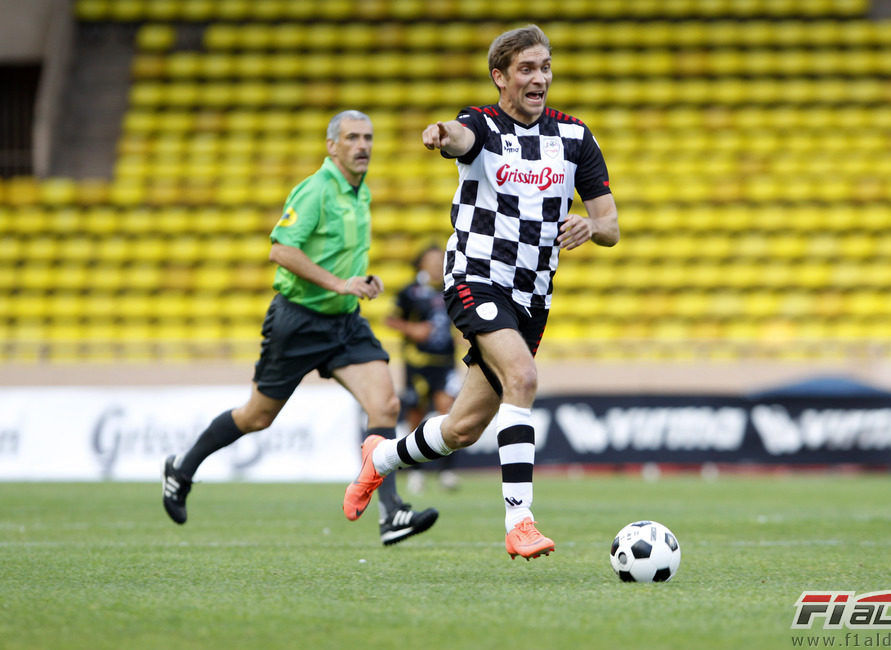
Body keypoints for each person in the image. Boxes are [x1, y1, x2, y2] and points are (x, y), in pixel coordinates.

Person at [342, 26, 620, 560]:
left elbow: (611, 224)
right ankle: (521, 522)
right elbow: (459, 135)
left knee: (463, 428)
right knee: (524, 376)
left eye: (544, 67)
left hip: (532, 297)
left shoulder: (577, 138)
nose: (539, 77)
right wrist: (439, 133)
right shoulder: (484, 126)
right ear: (501, 77)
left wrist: (590, 226)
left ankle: (378, 460)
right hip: (475, 275)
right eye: (526, 69)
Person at [162, 110, 438, 546]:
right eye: (351, 137)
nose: (362, 145)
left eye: (367, 137)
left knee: (384, 406)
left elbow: (337, 254)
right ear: (332, 146)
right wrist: (339, 282)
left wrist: (361, 281)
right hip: (299, 320)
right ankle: (182, 468)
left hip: (345, 320)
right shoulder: (316, 190)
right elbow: (281, 250)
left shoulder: (358, 191)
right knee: (256, 416)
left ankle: (391, 514)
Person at [385, 244, 461, 493]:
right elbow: (391, 319)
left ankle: (446, 470)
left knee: (448, 412)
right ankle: (416, 471)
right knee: (415, 415)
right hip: (417, 363)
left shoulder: (452, 288)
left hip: (446, 362)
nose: (437, 265)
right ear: (421, 264)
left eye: (441, 260)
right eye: (432, 260)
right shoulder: (410, 292)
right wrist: (412, 330)